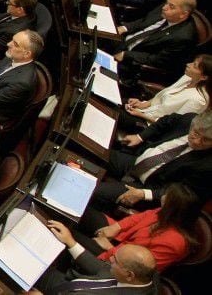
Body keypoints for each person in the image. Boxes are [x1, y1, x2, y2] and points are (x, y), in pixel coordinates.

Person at [37, 184, 197, 292]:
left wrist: (109, 247)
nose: (162, 197)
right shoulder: (165, 212)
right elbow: (140, 218)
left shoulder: (175, 244)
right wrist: (115, 228)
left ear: (174, 207)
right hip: (122, 241)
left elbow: (140, 264)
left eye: (167, 196)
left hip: (119, 256)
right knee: (79, 210)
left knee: (68, 235)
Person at [83, 110, 212, 227]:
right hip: (137, 162)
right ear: (193, 124)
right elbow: (164, 121)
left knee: (92, 191)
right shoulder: (189, 119)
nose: (197, 141)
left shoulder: (208, 166)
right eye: (195, 133)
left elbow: (183, 193)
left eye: (205, 140)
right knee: (86, 149)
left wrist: (145, 194)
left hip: (150, 188)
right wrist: (141, 136)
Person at [111, 0, 198, 85]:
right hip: (122, 40)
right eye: (166, 3)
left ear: (183, 14)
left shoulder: (183, 38)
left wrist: (126, 55)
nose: (164, 7)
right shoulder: (166, 10)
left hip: (131, 62)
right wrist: (124, 28)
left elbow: (158, 60)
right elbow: (143, 21)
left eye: (171, 6)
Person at [27, 242, 159, 295]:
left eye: (115, 260)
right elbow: (101, 267)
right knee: (30, 262)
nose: (110, 259)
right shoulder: (144, 274)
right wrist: (71, 242)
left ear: (129, 275)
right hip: (67, 285)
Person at [122, 55, 210, 129]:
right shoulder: (188, 77)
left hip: (151, 126)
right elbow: (162, 95)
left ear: (204, 77)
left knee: (114, 112)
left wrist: (141, 114)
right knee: (117, 100)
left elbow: (172, 125)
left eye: (194, 66)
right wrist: (143, 104)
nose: (188, 64)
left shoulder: (198, 101)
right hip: (146, 111)